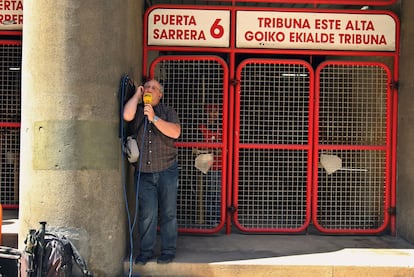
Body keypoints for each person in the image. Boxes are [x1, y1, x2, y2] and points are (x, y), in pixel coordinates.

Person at [123, 79, 181, 265]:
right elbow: (126, 115)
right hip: (144, 172)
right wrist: (136, 96)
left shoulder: (167, 111)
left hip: (166, 169)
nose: (149, 89)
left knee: (168, 212)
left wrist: (154, 118)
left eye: (153, 88)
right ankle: (145, 252)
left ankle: (168, 251)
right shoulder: (138, 110)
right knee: (147, 214)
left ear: (160, 94)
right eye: (147, 86)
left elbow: (175, 132)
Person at [197, 104, 222, 225]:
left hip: (221, 165)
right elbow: (197, 148)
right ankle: (211, 219)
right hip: (206, 166)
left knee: (218, 194)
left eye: (216, 112)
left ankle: (218, 218)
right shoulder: (201, 128)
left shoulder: (221, 128)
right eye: (211, 111)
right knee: (211, 193)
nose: (213, 114)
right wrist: (212, 149)